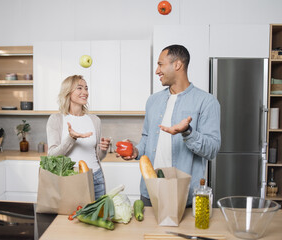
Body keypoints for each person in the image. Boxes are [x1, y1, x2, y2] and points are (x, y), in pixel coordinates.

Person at [121, 45, 221, 207]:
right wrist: (136, 151)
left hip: (183, 194)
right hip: (150, 191)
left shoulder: (207, 102)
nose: (157, 71)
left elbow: (212, 150)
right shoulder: (153, 101)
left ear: (177, 65)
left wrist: (187, 132)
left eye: (160, 64)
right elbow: (147, 137)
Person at [46, 75, 111, 200]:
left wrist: (103, 149)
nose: (85, 92)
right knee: (71, 218)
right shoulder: (56, 119)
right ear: (68, 92)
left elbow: (98, 157)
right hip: (70, 178)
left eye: (86, 88)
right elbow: (52, 156)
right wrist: (71, 138)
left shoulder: (95, 120)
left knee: (98, 218)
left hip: (95, 177)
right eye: (79, 88)